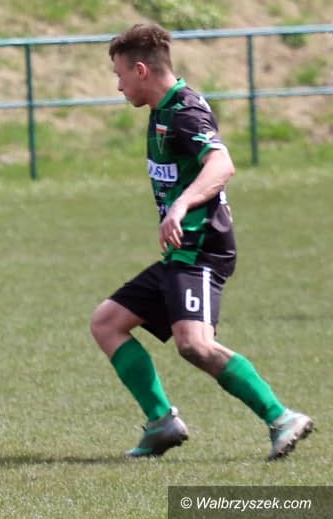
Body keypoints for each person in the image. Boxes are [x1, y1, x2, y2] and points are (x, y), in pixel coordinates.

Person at [90, 23, 314, 460]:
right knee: (107, 322)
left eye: (120, 75)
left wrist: (180, 206)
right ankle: (161, 422)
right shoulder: (163, 109)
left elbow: (221, 164)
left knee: (194, 344)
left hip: (202, 248)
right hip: (182, 250)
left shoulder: (185, 112)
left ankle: (281, 417)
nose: (117, 86)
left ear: (141, 70)